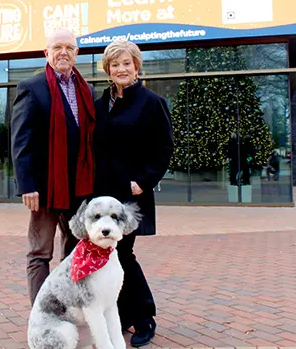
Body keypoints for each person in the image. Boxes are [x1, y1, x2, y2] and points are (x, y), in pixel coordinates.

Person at [93, 40, 174, 347]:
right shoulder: (100, 103)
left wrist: (144, 181)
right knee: (109, 256)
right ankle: (123, 313)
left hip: (129, 195)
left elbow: (164, 147)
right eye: (115, 65)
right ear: (108, 70)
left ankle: (144, 317)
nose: (121, 69)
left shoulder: (151, 102)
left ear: (136, 66)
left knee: (123, 254)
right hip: (102, 195)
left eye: (126, 63)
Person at [11, 28, 95, 305]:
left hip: (78, 188)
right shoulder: (31, 87)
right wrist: (27, 185)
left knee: (74, 250)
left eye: (69, 48)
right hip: (45, 187)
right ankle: (41, 313)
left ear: (76, 53)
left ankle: (67, 305)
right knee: (40, 252)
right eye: (57, 47)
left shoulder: (87, 90)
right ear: (46, 53)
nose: (63, 52)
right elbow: (21, 140)